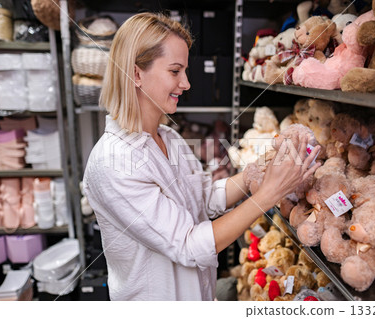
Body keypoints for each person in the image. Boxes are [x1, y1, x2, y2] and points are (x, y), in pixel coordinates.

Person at [83, 12, 321, 301]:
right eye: (175, 71)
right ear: (135, 74)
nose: (186, 83)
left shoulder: (168, 138)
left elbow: (205, 196)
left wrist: (255, 171)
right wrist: (268, 194)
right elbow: (188, 246)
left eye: (185, 71)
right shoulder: (112, 162)